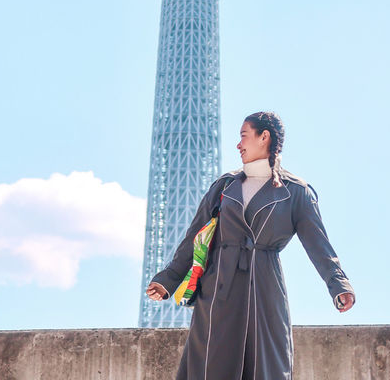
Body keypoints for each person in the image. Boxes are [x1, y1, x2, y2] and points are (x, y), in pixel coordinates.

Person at [146, 111, 355, 380]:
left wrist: (339, 286)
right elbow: (194, 236)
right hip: (219, 288)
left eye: (244, 135)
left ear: (263, 137)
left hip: (264, 289)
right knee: (211, 366)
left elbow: (318, 245)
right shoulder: (225, 185)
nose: (238, 144)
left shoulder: (296, 192)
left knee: (265, 366)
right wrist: (168, 279)